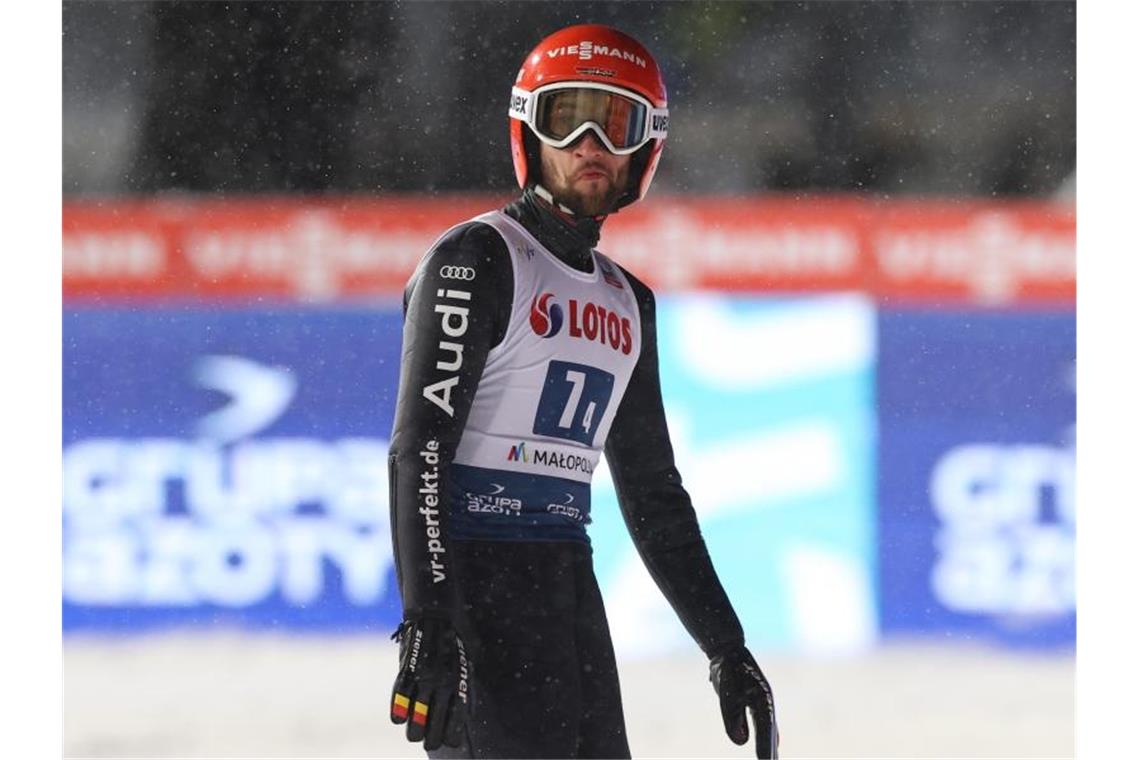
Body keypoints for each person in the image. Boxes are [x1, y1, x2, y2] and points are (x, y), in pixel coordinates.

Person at [387, 23, 778, 759]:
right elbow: (421, 448)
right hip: (478, 583)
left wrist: (726, 647)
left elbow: (655, 496)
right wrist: (428, 620)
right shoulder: (477, 258)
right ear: (528, 130)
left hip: (569, 582)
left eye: (616, 120)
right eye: (568, 118)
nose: (590, 141)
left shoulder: (631, 303)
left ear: (646, 148)